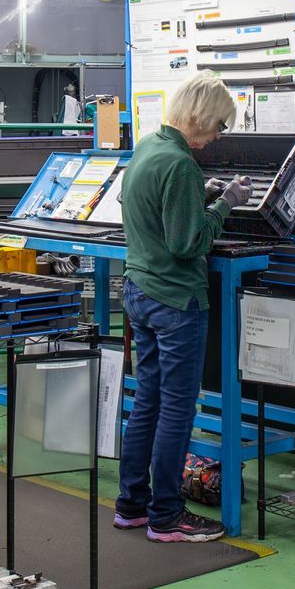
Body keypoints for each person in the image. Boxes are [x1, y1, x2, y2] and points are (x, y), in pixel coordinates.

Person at [114, 73, 252, 544]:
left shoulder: (150, 147)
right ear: (201, 118)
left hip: (140, 294)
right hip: (176, 300)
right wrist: (226, 205)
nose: (216, 137)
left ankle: (132, 505)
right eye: (217, 127)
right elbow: (187, 242)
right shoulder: (181, 166)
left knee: (146, 404)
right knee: (176, 410)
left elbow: (155, 209)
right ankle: (167, 516)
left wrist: (203, 195)